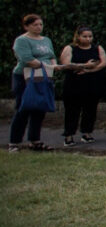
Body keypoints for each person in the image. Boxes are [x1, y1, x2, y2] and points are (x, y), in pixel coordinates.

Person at [9, 14, 71, 152]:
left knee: (39, 108)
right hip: (25, 77)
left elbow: (51, 56)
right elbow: (26, 58)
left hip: (43, 77)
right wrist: (46, 66)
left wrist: (54, 66)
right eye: (35, 25)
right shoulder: (22, 40)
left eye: (40, 24)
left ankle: (35, 140)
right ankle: (14, 142)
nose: (39, 27)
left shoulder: (46, 40)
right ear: (27, 26)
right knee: (23, 108)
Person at [59, 26, 106, 146]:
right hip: (73, 84)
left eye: (90, 36)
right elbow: (66, 64)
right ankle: (69, 135)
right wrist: (85, 65)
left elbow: (104, 63)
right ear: (78, 36)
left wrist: (89, 70)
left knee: (90, 109)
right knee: (72, 110)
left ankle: (87, 133)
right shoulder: (70, 48)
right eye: (84, 36)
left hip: (92, 83)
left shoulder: (97, 48)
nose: (88, 39)